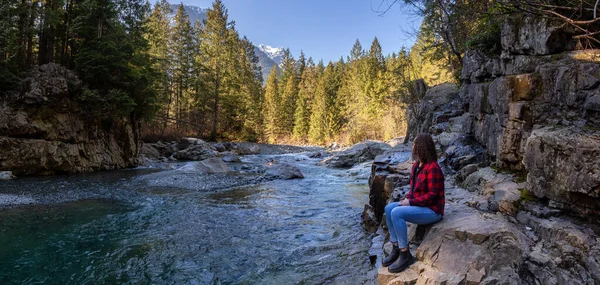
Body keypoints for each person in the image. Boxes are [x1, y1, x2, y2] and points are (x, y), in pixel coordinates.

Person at [381, 133, 445, 273]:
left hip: (433, 210)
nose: (412, 147)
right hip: (420, 206)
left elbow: (432, 196)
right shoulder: (417, 166)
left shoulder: (433, 167)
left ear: (422, 147)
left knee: (397, 213)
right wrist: (407, 199)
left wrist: (410, 202)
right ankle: (396, 247)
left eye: (415, 144)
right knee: (388, 208)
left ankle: (405, 254)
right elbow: (414, 189)